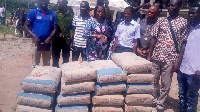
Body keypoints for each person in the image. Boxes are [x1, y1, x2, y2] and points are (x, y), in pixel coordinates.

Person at [147, 0, 188, 111]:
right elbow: (153, 38)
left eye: (172, 5)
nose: (169, 7)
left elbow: (184, 43)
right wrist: (149, 56)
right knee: (153, 80)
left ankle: (160, 103)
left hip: (170, 59)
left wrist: (178, 61)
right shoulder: (161, 20)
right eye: (168, 5)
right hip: (156, 56)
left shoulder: (184, 22)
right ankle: (154, 99)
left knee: (166, 83)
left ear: (179, 6)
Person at [177, 4, 200, 112]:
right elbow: (183, 46)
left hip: (195, 72)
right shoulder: (188, 28)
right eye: (189, 13)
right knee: (182, 95)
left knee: (191, 97)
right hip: (182, 69)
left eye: (193, 13)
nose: (190, 15)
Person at [24, 0, 57, 66]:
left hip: (47, 43)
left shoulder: (52, 14)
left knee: (47, 65)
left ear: (48, 2)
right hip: (36, 42)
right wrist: (34, 37)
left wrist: (49, 38)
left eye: (46, 0)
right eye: (42, 0)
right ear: (38, 2)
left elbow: (55, 29)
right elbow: (25, 27)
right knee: (35, 64)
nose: (43, 2)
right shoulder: (33, 12)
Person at [52, 0, 73, 67]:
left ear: (65, 3)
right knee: (55, 59)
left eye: (59, 2)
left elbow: (72, 27)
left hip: (66, 41)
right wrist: (58, 33)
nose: (57, 4)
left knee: (66, 60)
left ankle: (64, 74)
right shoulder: (55, 14)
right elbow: (52, 27)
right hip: (56, 40)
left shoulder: (71, 15)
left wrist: (71, 35)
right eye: (57, 3)